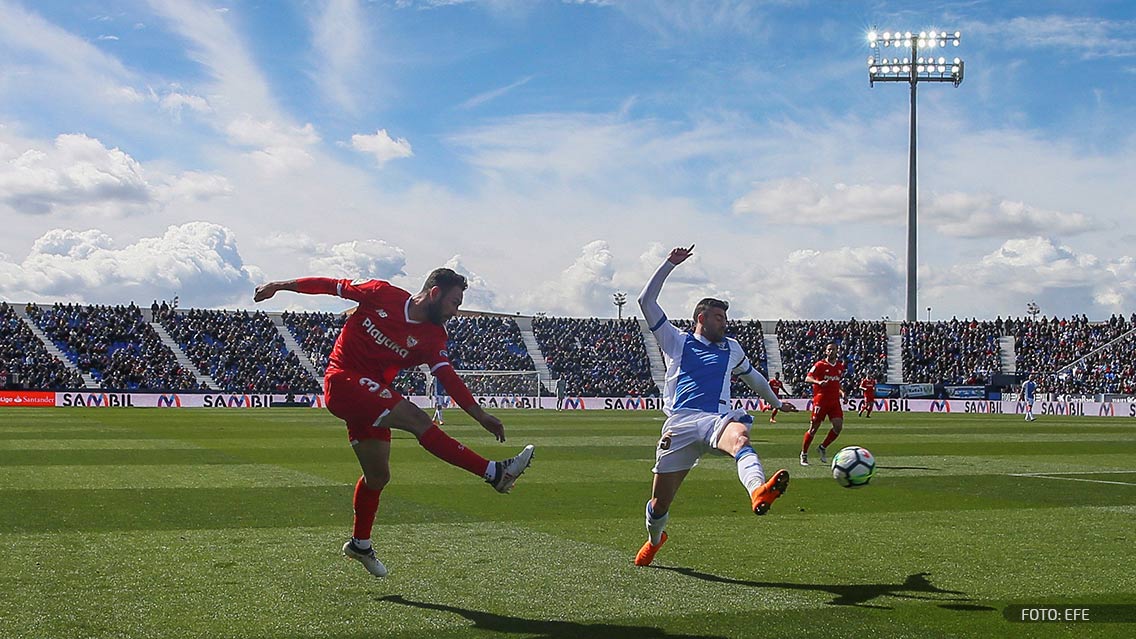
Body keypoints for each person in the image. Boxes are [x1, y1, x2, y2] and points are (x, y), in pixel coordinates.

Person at [254, 268, 534, 578]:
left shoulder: (433, 336)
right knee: (416, 419)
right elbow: (329, 285)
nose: (456, 312)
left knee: (378, 477)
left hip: (371, 396)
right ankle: (494, 473)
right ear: (435, 293)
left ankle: (360, 544)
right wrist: (278, 286)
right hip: (343, 381)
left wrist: (479, 415)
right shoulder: (380, 293)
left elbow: (446, 375)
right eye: (454, 302)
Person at [633, 244, 798, 567]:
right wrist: (669, 264)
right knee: (659, 504)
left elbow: (754, 379)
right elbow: (645, 302)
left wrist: (777, 402)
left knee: (740, 439)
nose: (725, 323)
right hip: (679, 424)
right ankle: (655, 539)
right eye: (720, 317)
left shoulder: (732, 348)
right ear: (702, 318)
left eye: (726, 317)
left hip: (714, 420)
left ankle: (758, 491)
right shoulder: (676, 340)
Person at [801, 342, 845, 466]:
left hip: (834, 401)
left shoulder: (839, 367)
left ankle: (823, 447)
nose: (831, 351)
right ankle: (804, 454)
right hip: (821, 401)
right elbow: (807, 378)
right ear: (825, 351)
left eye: (833, 349)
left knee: (838, 426)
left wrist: (842, 392)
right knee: (814, 428)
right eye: (829, 349)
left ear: (837, 351)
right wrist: (818, 382)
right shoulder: (819, 365)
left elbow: (836, 383)